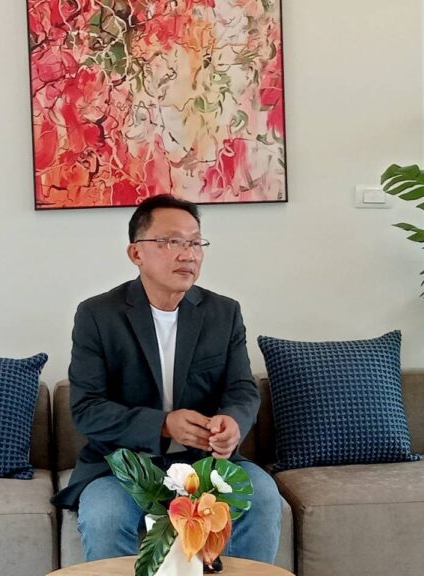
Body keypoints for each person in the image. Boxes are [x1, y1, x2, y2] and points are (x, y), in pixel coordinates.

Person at [51, 194, 281, 564]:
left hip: (205, 464)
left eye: (195, 243)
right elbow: (87, 410)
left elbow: (241, 388)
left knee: (264, 496)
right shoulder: (98, 315)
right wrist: (163, 424)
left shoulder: (223, 313)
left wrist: (233, 422)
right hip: (122, 465)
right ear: (136, 253)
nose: (188, 254)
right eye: (172, 241)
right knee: (105, 515)